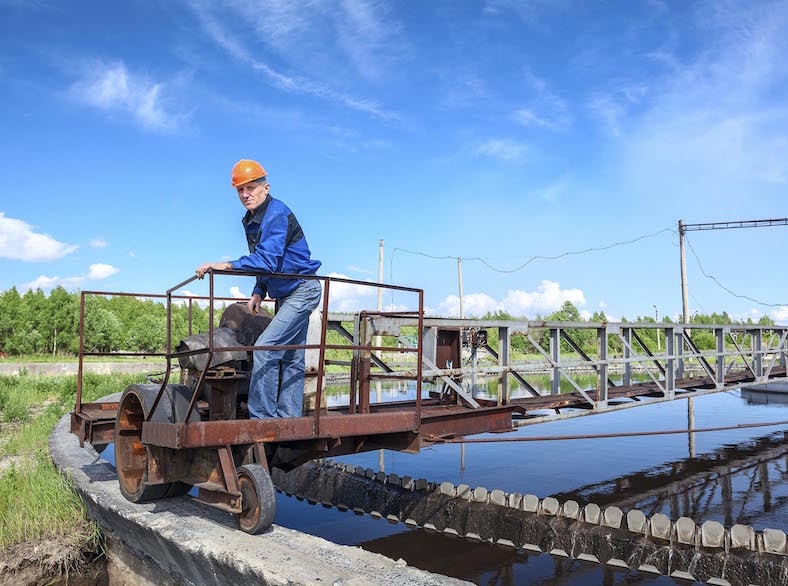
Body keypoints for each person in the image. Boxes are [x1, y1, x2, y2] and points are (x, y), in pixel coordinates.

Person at [196, 159, 322, 418]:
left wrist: (225, 265)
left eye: (250, 188)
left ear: (266, 188)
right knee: (292, 356)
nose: (245, 194)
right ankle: (289, 418)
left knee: (265, 349)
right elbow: (265, 260)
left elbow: (267, 259)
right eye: (240, 190)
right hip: (287, 293)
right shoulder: (252, 218)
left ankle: (263, 419)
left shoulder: (275, 213)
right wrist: (259, 290)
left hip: (302, 289)